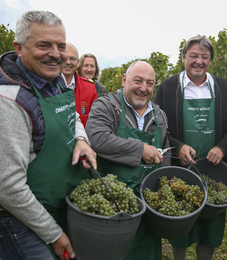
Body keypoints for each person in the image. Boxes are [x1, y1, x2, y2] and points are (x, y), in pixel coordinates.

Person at [0, 10, 97, 260]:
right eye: (44, 45)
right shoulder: (5, 102)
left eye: (60, 46)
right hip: (18, 219)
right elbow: (6, 188)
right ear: (18, 48)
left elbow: (71, 117)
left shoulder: (55, 80)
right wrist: (53, 234)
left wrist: (82, 140)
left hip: (53, 204)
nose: (55, 54)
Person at [153, 35, 227, 260]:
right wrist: (177, 147)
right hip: (181, 167)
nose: (198, 61)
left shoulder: (221, 87)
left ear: (211, 61)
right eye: (193, 56)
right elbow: (156, 126)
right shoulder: (168, 87)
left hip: (215, 168)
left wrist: (222, 148)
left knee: (210, 228)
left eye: (204, 56)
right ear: (183, 58)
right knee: (181, 223)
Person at [86, 60, 170, 260]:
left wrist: (163, 186)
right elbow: (97, 138)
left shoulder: (160, 115)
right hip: (111, 200)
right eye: (138, 81)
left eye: (149, 83)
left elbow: (164, 152)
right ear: (124, 80)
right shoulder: (106, 105)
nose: (143, 88)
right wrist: (140, 149)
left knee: (144, 250)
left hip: (147, 202)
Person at [62, 43, 98, 126]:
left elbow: (96, 120)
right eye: (64, 58)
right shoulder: (48, 85)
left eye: (72, 59)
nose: (68, 62)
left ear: (78, 62)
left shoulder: (90, 87)